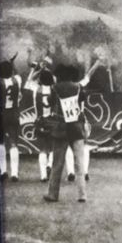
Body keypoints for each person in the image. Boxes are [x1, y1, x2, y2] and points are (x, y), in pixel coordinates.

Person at [42, 65, 88, 203]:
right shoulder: (78, 87)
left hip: (61, 128)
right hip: (76, 127)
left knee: (57, 163)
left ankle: (52, 194)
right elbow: (82, 99)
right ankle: (82, 194)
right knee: (79, 163)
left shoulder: (55, 88)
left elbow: (49, 102)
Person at [0, 57, 24, 181]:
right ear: (11, 71)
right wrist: (13, 63)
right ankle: (14, 173)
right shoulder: (17, 80)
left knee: (0, 142)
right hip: (14, 113)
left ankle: (3, 170)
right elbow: (17, 73)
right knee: (13, 143)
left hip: (1, 113)